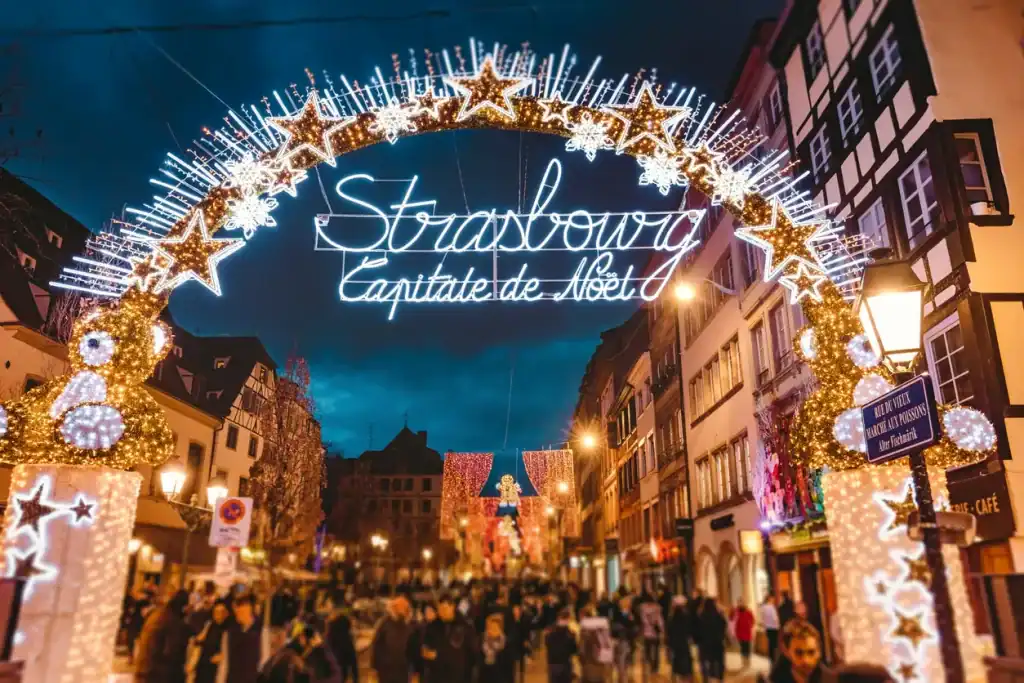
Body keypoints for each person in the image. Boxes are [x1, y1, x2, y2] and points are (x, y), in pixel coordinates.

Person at [135, 590, 191, 683]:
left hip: (144, 669)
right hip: (157, 674)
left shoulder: (158, 614)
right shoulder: (172, 621)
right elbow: (171, 652)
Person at [421, 593, 477, 683]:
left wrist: (438, 656)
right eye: (439, 609)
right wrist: (426, 652)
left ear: (452, 607)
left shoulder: (464, 626)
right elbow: (426, 645)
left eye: (445, 609)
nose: (442, 612)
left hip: (458, 677)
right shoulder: (432, 626)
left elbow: (469, 654)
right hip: (437, 677)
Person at [371, 594, 415, 683]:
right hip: (386, 671)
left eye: (404, 607)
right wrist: (374, 667)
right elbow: (377, 646)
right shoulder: (384, 624)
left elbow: (415, 648)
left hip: (404, 671)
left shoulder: (411, 625)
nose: (401, 609)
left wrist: (416, 669)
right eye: (399, 606)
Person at [767, 619, 827, 683]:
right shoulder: (776, 679)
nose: (805, 660)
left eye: (811, 652)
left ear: (819, 652)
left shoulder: (830, 679)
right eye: (799, 653)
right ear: (787, 652)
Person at [190, 600, 232, 683]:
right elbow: (198, 642)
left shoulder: (228, 630)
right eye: (216, 612)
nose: (219, 615)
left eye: (222, 612)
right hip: (203, 667)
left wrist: (222, 656)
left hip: (216, 671)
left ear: (226, 613)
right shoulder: (210, 625)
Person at [227, 593, 264, 683]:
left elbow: (264, 660)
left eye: (239, 611)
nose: (236, 613)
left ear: (248, 609)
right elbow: (226, 662)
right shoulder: (232, 631)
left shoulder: (261, 630)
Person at [324, 592, 359, 683]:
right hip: (339, 660)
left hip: (337, 660)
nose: (327, 606)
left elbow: (331, 643)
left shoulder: (335, 625)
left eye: (328, 603)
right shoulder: (342, 622)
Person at [578, 605, 612, 683]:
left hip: (588, 662)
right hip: (600, 659)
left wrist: (581, 657)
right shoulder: (602, 625)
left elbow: (582, 648)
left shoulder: (584, 628)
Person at [697, 599, 727, 683]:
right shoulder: (718, 615)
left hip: (705, 643)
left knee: (706, 661)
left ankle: (706, 678)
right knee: (719, 661)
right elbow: (724, 626)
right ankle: (720, 678)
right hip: (717, 643)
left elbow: (697, 630)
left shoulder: (701, 616)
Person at [544, 608, 577, 683]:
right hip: (565, 664)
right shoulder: (570, 634)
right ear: (568, 619)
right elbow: (574, 650)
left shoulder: (550, 631)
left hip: (553, 664)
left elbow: (547, 644)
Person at [480, 613, 514, 683]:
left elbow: (508, 666)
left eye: (496, 626)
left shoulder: (504, 641)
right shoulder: (483, 638)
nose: (493, 628)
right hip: (486, 672)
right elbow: (482, 652)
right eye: (491, 626)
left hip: (500, 672)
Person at [610, 594, 636, 683]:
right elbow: (629, 625)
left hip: (620, 638)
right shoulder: (625, 614)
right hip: (623, 638)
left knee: (621, 658)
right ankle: (622, 676)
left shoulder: (617, 613)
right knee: (622, 657)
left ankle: (621, 675)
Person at [666, 597, 693, 682]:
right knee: (685, 660)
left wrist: (668, 644)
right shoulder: (686, 617)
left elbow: (669, 632)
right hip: (684, 643)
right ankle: (686, 677)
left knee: (676, 660)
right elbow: (689, 630)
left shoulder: (671, 618)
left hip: (675, 643)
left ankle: (677, 676)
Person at [638, 594, 665, 674]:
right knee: (656, 650)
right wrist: (662, 630)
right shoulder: (657, 608)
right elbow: (660, 620)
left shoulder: (643, 609)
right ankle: (655, 667)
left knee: (648, 650)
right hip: (656, 633)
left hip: (647, 632)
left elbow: (643, 621)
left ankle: (649, 663)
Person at [732, 600, 756, 668]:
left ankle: (747, 660)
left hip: (747, 632)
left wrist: (750, 625)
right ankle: (744, 660)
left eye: (742, 603)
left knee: (747, 646)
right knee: (743, 647)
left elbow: (753, 620)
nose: (741, 604)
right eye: (739, 603)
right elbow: (733, 620)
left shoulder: (748, 612)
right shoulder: (736, 612)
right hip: (740, 632)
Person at [760, 595, 781, 663]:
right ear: (770, 599)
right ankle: (775, 658)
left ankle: (771, 657)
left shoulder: (763, 608)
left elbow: (762, 618)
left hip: (767, 628)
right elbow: (775, 618)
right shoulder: (771, 607)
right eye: (772, 599)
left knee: (770, 643)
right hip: (774, 627)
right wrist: (778, 624)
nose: (773, 600)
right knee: (774, 644)